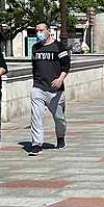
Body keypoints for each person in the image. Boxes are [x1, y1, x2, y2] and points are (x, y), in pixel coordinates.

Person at [29, 23, 70, 155]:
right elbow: (35, 67)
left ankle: (60, 137)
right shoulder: (35, 48)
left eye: (41, 30)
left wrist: (60, 79)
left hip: (55, 90)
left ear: (48, 31)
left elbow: (66, 65)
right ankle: (36, 144)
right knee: (36, 117)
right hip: (39, 87)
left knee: (59, 119)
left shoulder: (58, 46)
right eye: (37, 30)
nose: (38, 33)